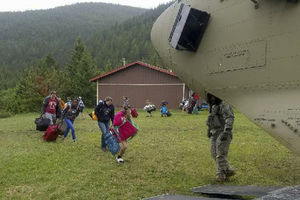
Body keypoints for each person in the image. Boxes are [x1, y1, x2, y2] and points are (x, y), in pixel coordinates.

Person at [206, 93, 235, 182]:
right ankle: (228, 169)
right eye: (210, 97)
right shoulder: (213, 106)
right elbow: (211, 119)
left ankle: (220, 175)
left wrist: (226, 132)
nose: (212, 98)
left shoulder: (224, 105)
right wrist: (209, 130)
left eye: (214, 96)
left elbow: (229, 117)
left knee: (220, 154)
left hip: (223, 131)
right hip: (214, 132)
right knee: (213, 153)